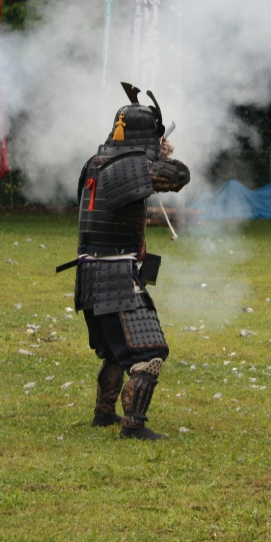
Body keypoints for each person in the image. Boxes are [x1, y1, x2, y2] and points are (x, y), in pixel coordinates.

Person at [62, 83, 189, 440]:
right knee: (149, 351)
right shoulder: (129, 165)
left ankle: (105, 413)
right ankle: (133, 425)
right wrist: (161, 158)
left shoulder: (95, 161)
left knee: (117, 352)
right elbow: (179, 176)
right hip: (113, 271)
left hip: (93, 271)